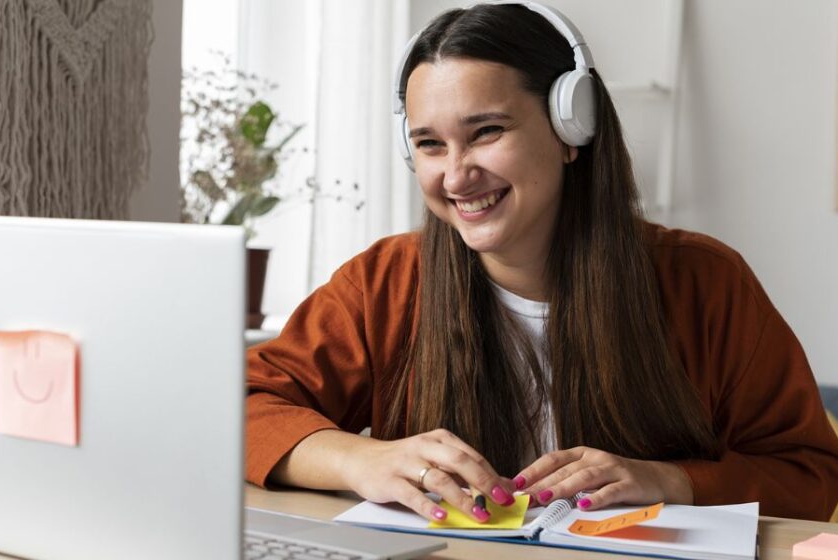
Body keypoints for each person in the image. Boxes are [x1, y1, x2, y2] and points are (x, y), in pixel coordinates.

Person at [245, 1, 838, 523]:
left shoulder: (706, 282)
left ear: (568, 129)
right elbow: (240, 406)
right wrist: (361, 458)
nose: (455, 174)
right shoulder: (385, 282)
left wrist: (673, 480)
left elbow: (808, 474)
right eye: (429, 144)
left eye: (487, 131)